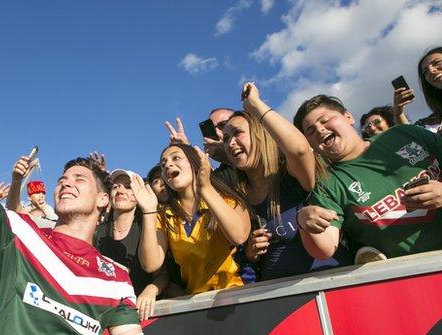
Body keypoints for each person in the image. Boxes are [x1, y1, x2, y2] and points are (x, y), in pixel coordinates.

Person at [0, 18, 172, 335]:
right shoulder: (18, 234)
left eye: (79, 179)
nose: (66, 183)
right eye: (62, 179)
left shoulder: (115, 276)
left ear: (102, 201)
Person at [223, 83, 351, 281]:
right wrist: (250, 252)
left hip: (330, 284)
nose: (230, 143)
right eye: (225, 139)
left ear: (260, 134)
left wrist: (255, 105)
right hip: (278, 298)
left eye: (237, 133)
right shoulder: (237, 194)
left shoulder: (291, 175)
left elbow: (299, 149)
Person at [293, 94, 442, 260]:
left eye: (325, 120)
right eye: (310, 131)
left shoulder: (404, 134)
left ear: (348, 117)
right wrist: (303, 220)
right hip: (416, 274)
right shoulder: (327, 186)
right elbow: (324, 249)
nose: (320, 130)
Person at [135, 142, 251, 294]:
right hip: (198, 302)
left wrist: (206, 188)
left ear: (194, 163)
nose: (168, 165)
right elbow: (151, 264)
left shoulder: (225, 198)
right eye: (163, 165)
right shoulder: (163, 216)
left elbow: (239, 236)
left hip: (241, 293)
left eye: (175, 158)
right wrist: (149, 211)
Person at [94, 169, 169, 321]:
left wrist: (151, 290)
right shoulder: (97, 232)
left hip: (144, 314)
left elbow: (163, 275)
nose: (120, 190)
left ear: (138, 196)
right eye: (115, 187)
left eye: (128, 186)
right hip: (107, 314)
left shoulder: (147, 227)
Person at [7, 155, 58, 229]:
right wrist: (17, 179)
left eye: (43, 193)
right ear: (29, 197)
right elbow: (13, 208)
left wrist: (44, 208)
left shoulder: (48, 210)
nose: (41, 195)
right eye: (37, 193)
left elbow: (54, 221)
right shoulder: (25, 209)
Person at [415, 47, 442, 133]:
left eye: (437, 63)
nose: (431, 71)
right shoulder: (429, 123)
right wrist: (398, 112)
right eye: (425, 72)